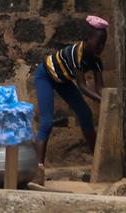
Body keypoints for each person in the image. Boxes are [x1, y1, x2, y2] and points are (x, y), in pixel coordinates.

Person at [33, 17, 107, 156]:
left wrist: (108, 99)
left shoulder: (96, 61)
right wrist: (102, 100)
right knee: (46, 123)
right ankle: (39, 168)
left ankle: (98, 159)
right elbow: (82, 86)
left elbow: (100, 87)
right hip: (46, 76)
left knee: (85, 114)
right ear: (87, 39)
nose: (100, 48)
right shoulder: (76, 53)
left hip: (63, 81)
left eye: (103, 44)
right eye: (98, 43)